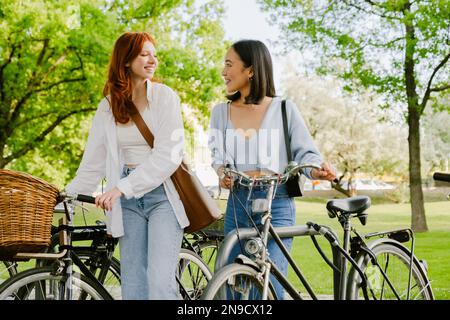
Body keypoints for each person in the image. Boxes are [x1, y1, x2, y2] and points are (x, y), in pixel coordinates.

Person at [208, 39, 336, 299]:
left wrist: (316, 171)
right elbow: (217, 156)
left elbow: (305, 153)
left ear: (251, 70)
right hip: (238, 203)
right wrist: (222, 173)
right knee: (230, 283)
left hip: (276, 202)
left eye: (229, 64)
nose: (224, 71)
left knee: (270, 283)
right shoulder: (221, 113)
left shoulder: (284, 109)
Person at [65, 32, 188, 300]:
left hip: (162, 198)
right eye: (144, 54)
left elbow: (169, 155)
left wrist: (121, 188)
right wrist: (66, 198)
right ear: (126, 61)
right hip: (128, 204)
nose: (152, 59)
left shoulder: (166, 98)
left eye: (154, 54)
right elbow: (92, 163)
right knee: (133, 287)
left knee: (158, 284)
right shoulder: (108, 106)